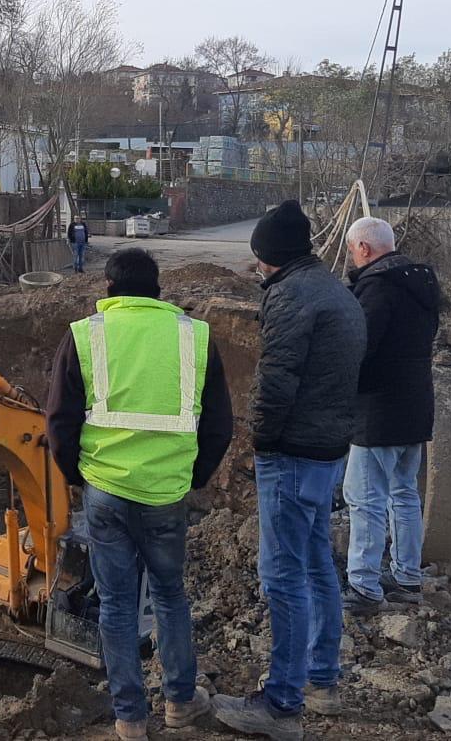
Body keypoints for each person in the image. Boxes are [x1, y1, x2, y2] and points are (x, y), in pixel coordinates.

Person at [47, 247, 234, 739]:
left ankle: (129, 719)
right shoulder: (195, 337)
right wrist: (192, 477)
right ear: (157, 291)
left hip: (105, 491)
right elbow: (219, 425)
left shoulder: (85, 335)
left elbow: (59, 424)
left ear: (108, 289)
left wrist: (78, 474)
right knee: (170, 597)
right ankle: (178, 703)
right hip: (165, 494)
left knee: (115, 603)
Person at [213, 200, 366, 741]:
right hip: (326, 450)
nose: (256, 267)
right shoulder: (337, 292)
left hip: (294, 453)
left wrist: (261, 441)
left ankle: (281, 705)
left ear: (269, 256)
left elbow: (276, 380)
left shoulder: (291, 297)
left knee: (282, 576)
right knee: (317, 562)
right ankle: (322, 681)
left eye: (258, 258)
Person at [341, 216, 440, 616]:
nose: (352, 258)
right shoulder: (422, 285)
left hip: (378, 411)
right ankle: (407, 578)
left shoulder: (377, 289)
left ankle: (363, 586)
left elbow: (360, 349)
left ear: (363, 248)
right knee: (404, 495)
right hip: (415, 406)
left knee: (364, 499)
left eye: (351, 250)